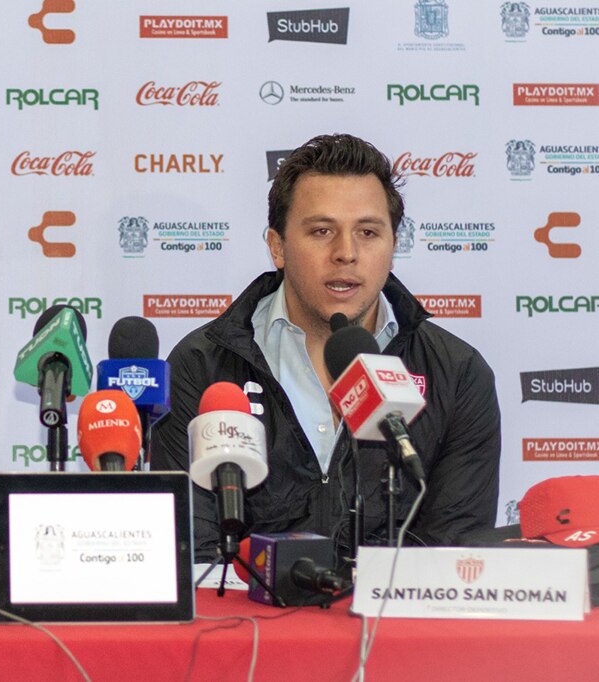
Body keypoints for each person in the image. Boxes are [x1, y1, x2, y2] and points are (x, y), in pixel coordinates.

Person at [150, 134, 501, 564]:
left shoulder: (458, 374)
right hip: (250, 626)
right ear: (278, 246)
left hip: (390, 626)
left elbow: (454, 555)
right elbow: (193, 554)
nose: (346, 254)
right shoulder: (201, 365)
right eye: (322, 231)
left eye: (368, 232)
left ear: (394, 244)